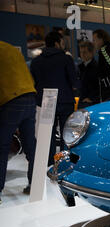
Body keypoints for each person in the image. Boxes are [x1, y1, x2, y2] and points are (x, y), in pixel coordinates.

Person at [30, 31, 77, 166]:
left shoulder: (36, 61)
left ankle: (49, 163)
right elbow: (74, 82)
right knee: (66, 134)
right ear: (57, 43)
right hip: (65, 101)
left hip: (46, 102)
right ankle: (64, 162)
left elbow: (35, 82)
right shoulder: (66, 59)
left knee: (47, 135)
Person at [0, 41, 37, 203]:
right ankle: (34, 186)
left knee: (1, 147)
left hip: (10, 100)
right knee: (30, 145)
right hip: (29, 96)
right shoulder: (9, 48)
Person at [77, 41, 99, 107]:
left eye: (84, 52)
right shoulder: (79, 67)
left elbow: (99, 87)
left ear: (91, 53)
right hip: (81, 101)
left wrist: (92, 98)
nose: (82, 55)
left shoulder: (97, 68)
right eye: (80, 52)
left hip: (92, 103)